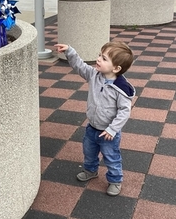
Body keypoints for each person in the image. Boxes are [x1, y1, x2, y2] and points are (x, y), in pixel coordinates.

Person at [55, 41, 135, 196]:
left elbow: (124, 111)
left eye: (104, 58)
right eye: (100, 55)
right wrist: (70, 51)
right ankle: (91, 170)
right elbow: (79, 66)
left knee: (111, 157)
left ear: (116, 68)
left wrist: (112, 129)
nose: (98, 59)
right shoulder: (94, 75)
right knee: (89, 152)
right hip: (92, 127)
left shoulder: (121, 89)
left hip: (108, 133)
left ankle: (115, 180)